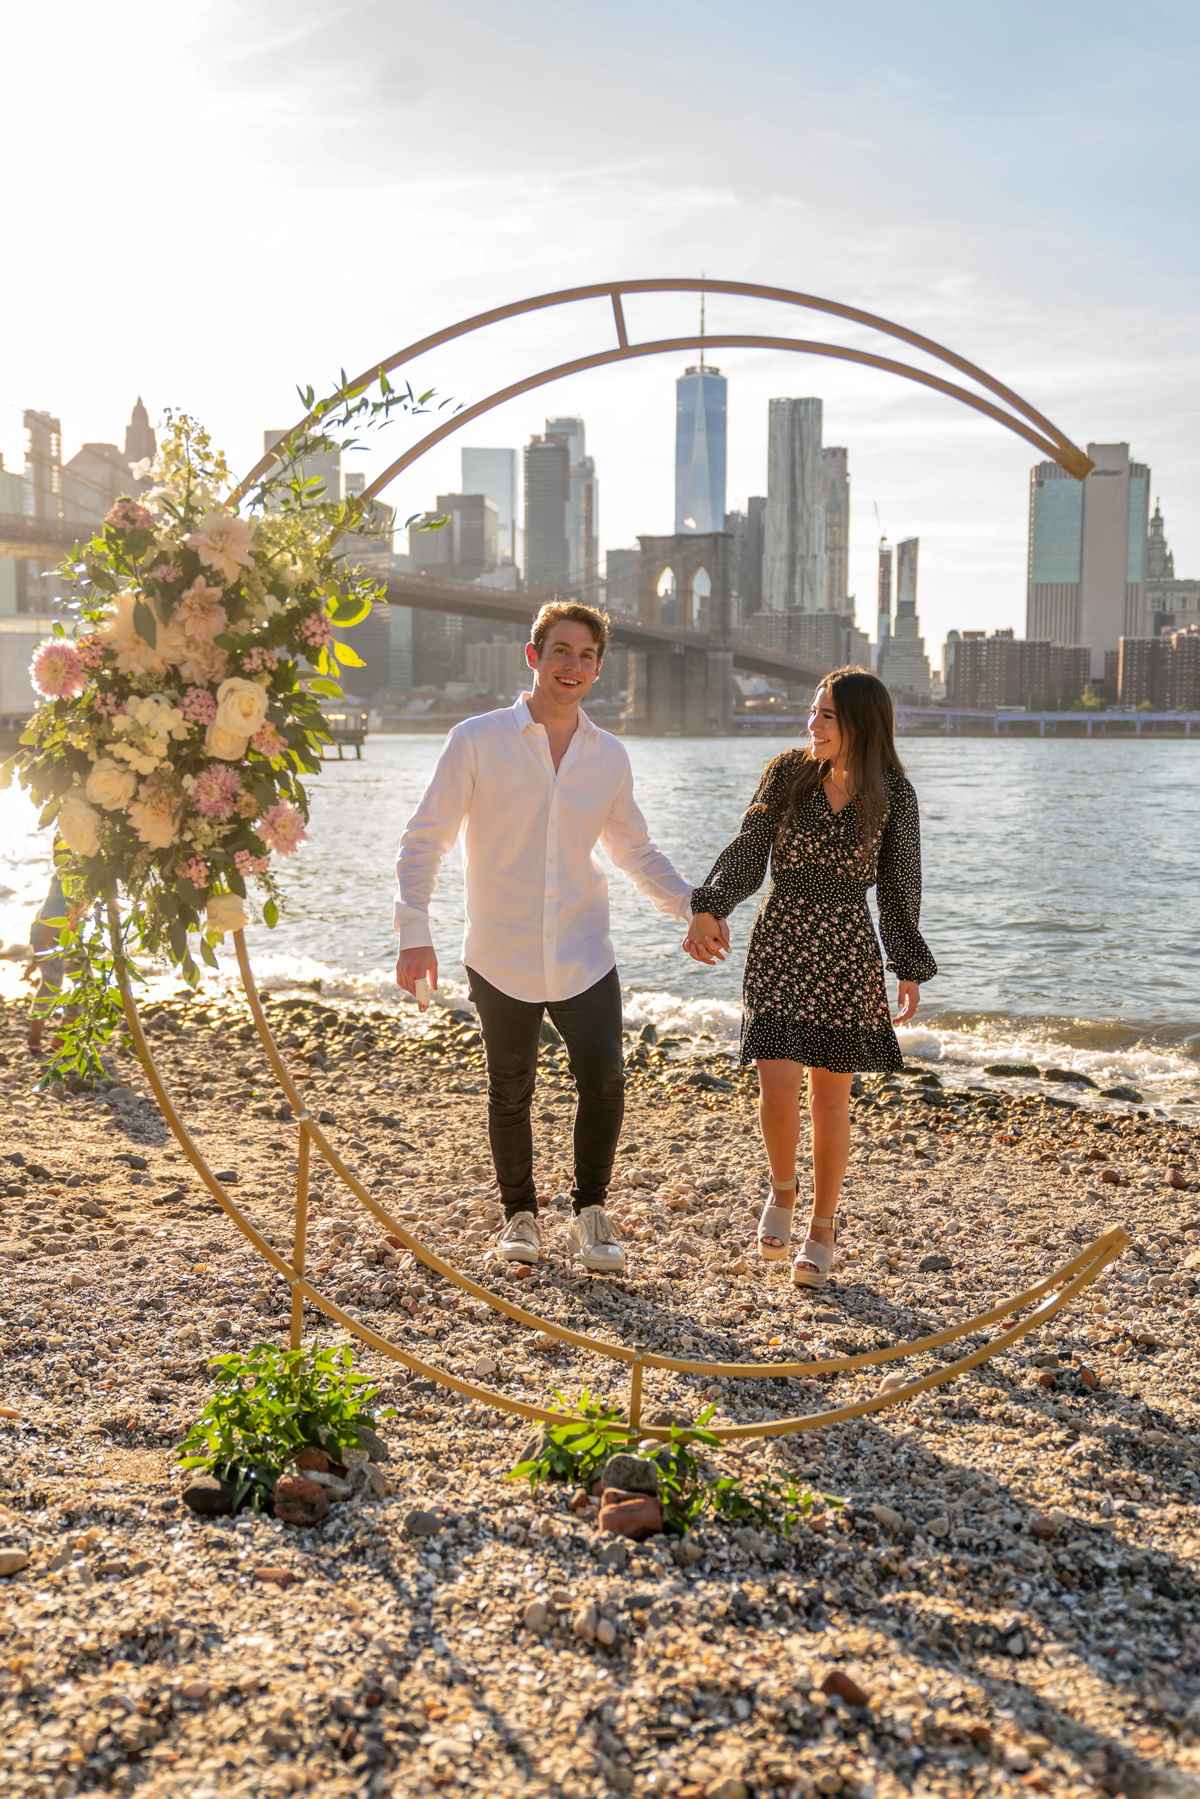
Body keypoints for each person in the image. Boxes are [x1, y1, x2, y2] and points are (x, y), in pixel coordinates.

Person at [394, 599, 716, 1273]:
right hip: (500, 949)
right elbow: (426, 838)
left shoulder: (610, 756)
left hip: (583, 948)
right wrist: (413, 931)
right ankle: (520, 1216)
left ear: (599, 669)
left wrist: (694, 908)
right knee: (509, 1086)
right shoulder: (477, 739)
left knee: (604, 1077)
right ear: (534, 656)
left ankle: (590, 1212)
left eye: (587, 656)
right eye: (562, 651)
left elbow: (635, 852)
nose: (574, 666)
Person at [683, 667, 936, 1290]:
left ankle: (823, 1225)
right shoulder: (786, 772)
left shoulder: (894, 795)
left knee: (829, 1097)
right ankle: (783, 1190)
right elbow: (748, 848)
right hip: (781, 938)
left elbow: (901, 888)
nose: (812, 724)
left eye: (826, 715)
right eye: (813, 711)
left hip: (847, 950)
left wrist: (907, 964)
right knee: (776, 1083)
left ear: (859, 724)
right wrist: (709, 904)